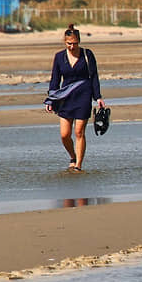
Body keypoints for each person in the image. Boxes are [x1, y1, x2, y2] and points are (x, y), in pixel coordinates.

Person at [44, 24, 106, 172]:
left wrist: (98, 97)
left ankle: (78, 164)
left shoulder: (87, 54)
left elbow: (94, 77)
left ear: (79, 41)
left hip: (84, 95)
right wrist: (51, 99)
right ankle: (72, 156)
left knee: (79, 132)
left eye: (75, 43)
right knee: (65, 135)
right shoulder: (59, 57)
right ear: (65, 42)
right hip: (65, 97)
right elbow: (55, 79)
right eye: (69, 44)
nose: (72, 47)